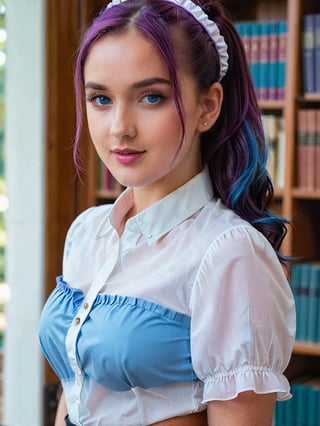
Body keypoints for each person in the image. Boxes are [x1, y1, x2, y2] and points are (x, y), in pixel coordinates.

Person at [39, 0, 296, 425]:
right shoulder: (88, 233)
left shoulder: (229, 254)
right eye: (101, 98)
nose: (119, 127)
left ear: (208, 107)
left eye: (151, 97)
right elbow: (77, 387)